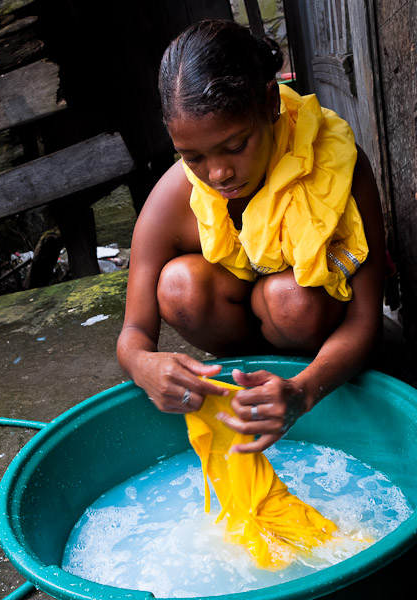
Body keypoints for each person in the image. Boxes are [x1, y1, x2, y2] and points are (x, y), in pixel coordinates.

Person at [116, 19, 386, 453]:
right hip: (237, 335)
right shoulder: (175, 197)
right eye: (194, 156)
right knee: (179, 286)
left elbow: (366, 319)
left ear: (270, 103)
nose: (218, 173)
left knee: (290, 300)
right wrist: (143, 364)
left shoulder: (337, 168)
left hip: (311, 337)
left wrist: (304, 391)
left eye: (235, 146)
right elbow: (134, 330)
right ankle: (249, 374)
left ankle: (289, 374)